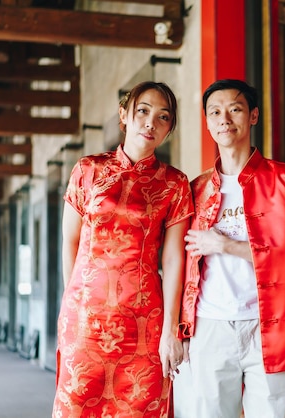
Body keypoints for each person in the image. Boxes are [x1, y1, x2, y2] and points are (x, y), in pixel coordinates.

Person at [177, 79, 285, 418]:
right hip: (210, 324)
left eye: (235, 109)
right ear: (206, 122)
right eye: (215, 112)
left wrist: (225, 245)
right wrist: (179, 329)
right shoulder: (196, 189)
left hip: (269, 324)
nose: (224, 119)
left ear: (254, 115)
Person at [52, 81, 194, 418]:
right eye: (143, 111)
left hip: (144, 322)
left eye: (162, 117)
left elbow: (174, 259)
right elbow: (70, 241)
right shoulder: (88, 170)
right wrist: (73, 301)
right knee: (77, 406)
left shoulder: (174, 183)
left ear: (169, 129)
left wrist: (171, 330)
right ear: (124, 115)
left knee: (140, 407)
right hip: (85, 316)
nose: (150, 123)